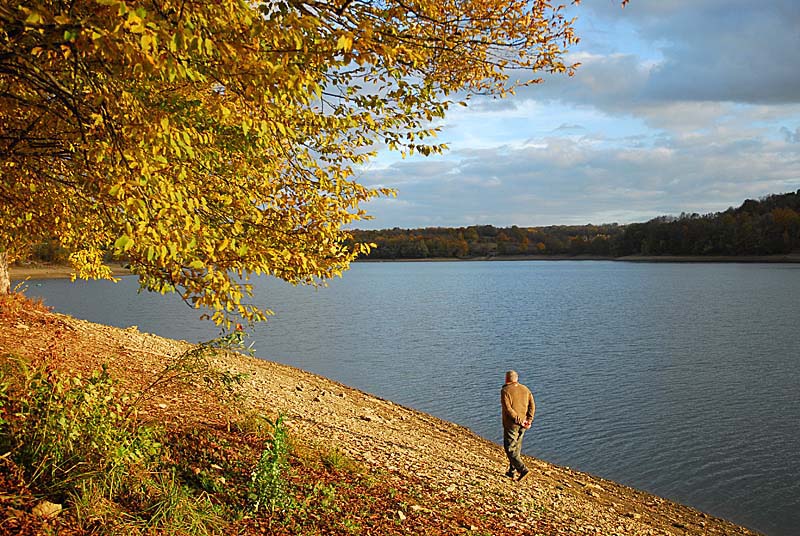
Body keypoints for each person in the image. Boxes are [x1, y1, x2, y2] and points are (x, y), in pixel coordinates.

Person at [500, 370, 535, 481]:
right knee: (516, 447)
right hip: (523, 423)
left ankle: (523, 469)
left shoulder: (505, 391)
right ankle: (512, 471)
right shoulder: (526, 389)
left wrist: (519, 420)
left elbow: (508, 409)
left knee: (509, 448)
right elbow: (532, 406)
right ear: (516, 379)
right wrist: (528, 420)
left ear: (507, 379)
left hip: (512, 424)